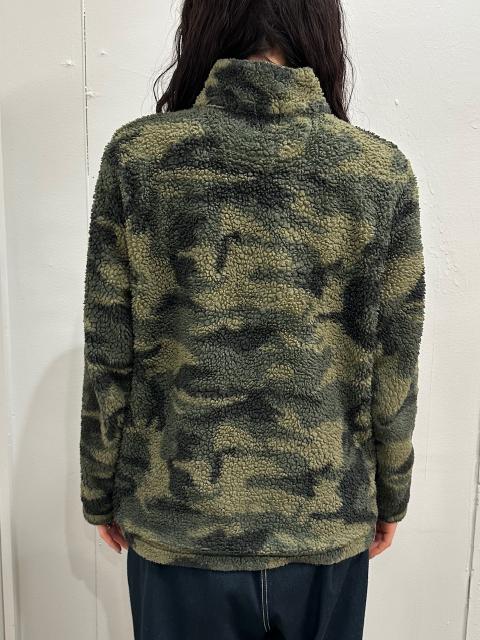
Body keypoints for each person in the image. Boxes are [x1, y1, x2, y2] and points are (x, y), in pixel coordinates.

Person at [79, 1, 426, 638]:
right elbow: (395, 360)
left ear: (203, 24)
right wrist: (391, 492)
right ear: (320, 29)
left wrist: (100, 486)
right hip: (324, 523)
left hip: (180, 523)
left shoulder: (140, 158)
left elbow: (109, 346)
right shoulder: (378, 171)